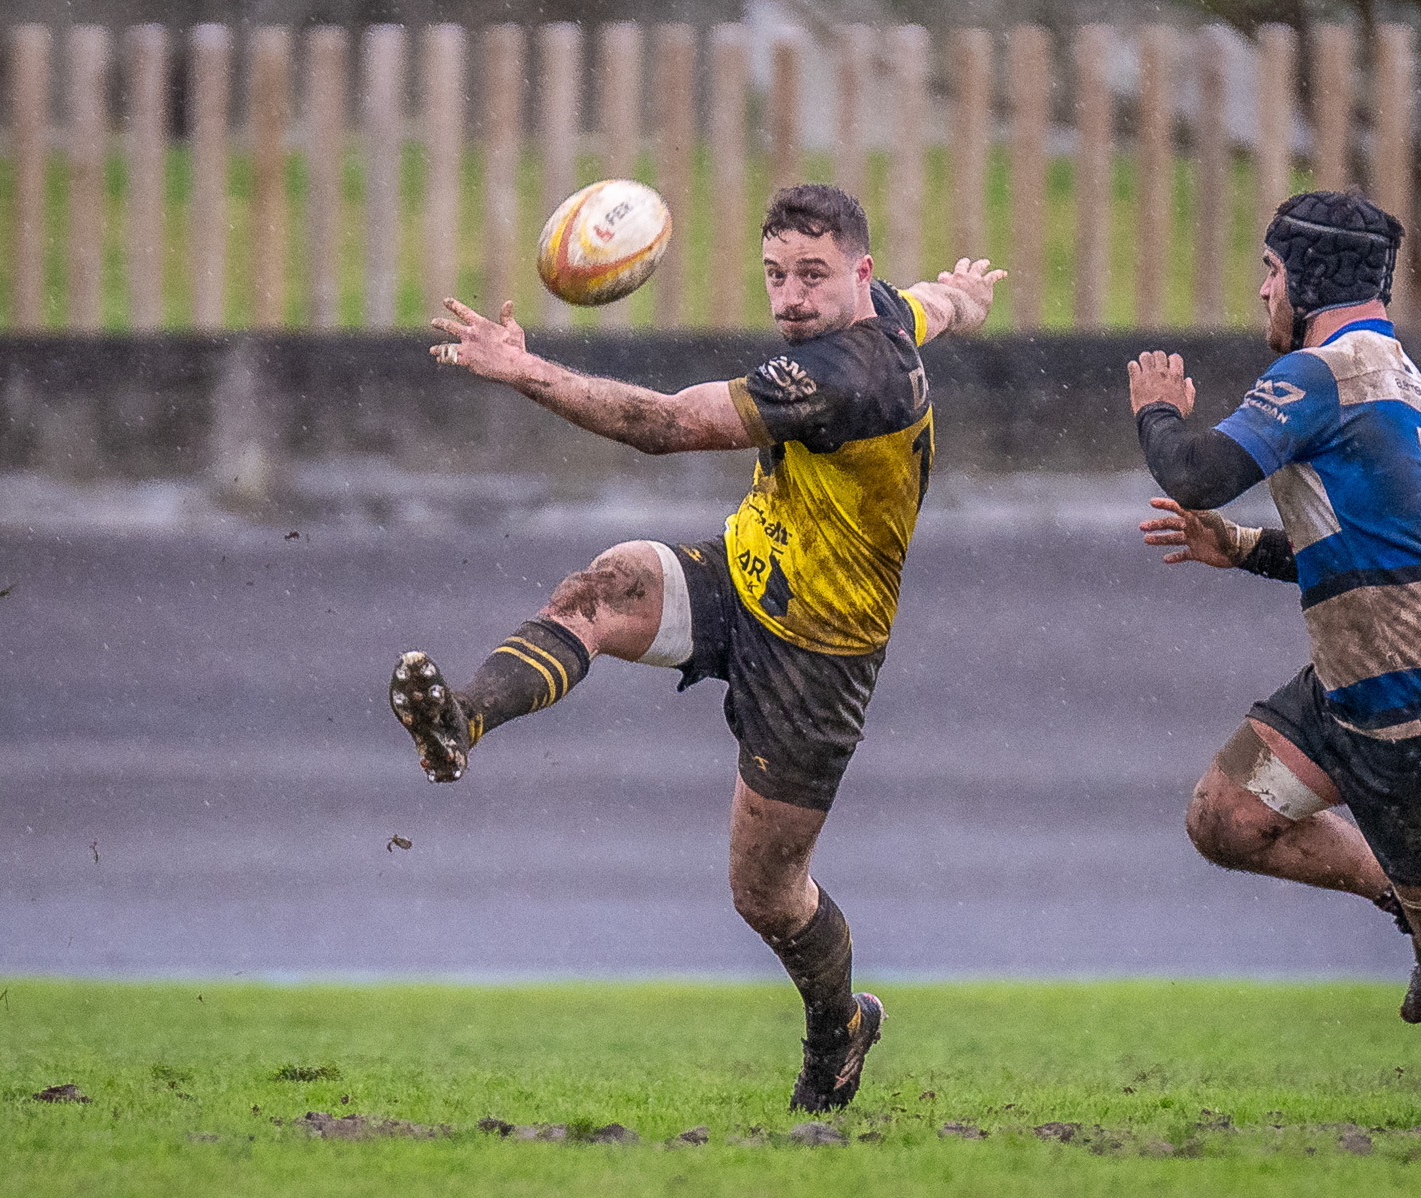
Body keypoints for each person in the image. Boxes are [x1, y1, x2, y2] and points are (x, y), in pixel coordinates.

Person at [392, 183, 1005, 1113]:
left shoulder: (847, 378)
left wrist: (524, 371)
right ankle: (463, 720)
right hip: (744, 575)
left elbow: (668, 427)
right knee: (601, 589)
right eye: (776, 277)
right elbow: (934, 307)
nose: (792, 298)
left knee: (765, 893)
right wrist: (965, 294)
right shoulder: (884, 313)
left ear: (857, 274)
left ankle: (838, 1023)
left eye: (812, 278)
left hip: (818, 657)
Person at [1127, 190, 1421, 1120]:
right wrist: (1242, 548)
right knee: (1225, 817)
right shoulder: (1400, 379)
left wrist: (1155, 414)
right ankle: (1410, 910)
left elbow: (1194, 472)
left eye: (1269, 272)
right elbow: (1370, 552)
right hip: (1359, 691)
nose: (1261, 292)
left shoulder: (1321, 372)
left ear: (1303, 282)